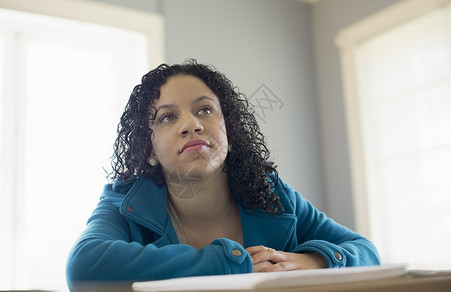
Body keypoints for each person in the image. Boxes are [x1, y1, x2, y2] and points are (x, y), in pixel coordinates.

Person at [66, 60, 380, 289]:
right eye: (167, 117)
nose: (191, 124)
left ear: (227, 127)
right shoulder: (124, 203)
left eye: (204, 110)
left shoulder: (273, 194)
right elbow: (84, 266)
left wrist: (318, 260)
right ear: (148, 147)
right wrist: (229, 264)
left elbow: (366, 251)